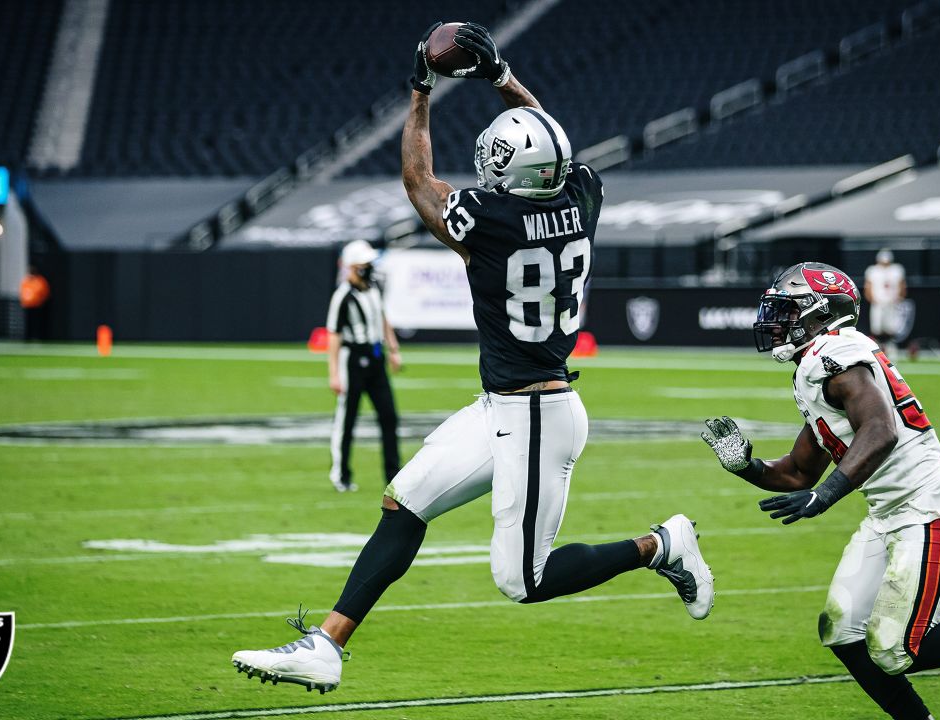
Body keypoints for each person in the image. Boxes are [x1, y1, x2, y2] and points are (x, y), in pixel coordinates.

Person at [231, 22, 713, 694]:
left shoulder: (492, 221)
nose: (487, 169)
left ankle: (661, 546)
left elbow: (417, 179)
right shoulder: (581, 196)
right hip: (508, 406)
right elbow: (551, 137)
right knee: (406, 500)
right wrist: (501, 77)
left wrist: (421, 89)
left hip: (539, 412)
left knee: (524, 580)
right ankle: (327, 645)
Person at [701, 262, 940, 720]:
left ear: (819, 313)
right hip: (889, 512)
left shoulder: (833, 355)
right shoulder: (817, 365)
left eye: (788, 311)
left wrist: (828, 495)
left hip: (928, 507)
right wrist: (745, 466)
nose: (777, 321)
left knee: (894, 649)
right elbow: (796, 473)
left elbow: (880, 429)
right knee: (842, 630)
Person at [325, 239, 402, 492]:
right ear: (352, 266)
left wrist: (393, 348)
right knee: (347, 419)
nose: (369, 268)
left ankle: (393, 474)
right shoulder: (342, 296)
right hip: (353, 359)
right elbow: (334, 335)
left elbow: (382, 317)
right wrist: (334, 373)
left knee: (389, 416)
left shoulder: (373, 288)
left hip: (376, 357)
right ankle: (341, 474)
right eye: (364, 264)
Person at [864, 248, 905, 358]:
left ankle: (891, 349)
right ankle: (878, 349)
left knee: (891, 328)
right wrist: (872, 299)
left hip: (892, 303)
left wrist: (899, 297)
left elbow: (902, 284)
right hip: (878, 303)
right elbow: (868, 286)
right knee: (877, 328)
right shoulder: (873, 270)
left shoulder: (896, 270)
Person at [19, 266, 50, 341]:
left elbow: (44, 292)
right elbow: (23, 292)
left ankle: (39, 337)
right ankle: (27, 338)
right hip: (27, 305)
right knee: (28, 323)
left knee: (37, 323)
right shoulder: (26, 281)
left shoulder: (40, 281)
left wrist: (40, 301)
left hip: (37, 305)